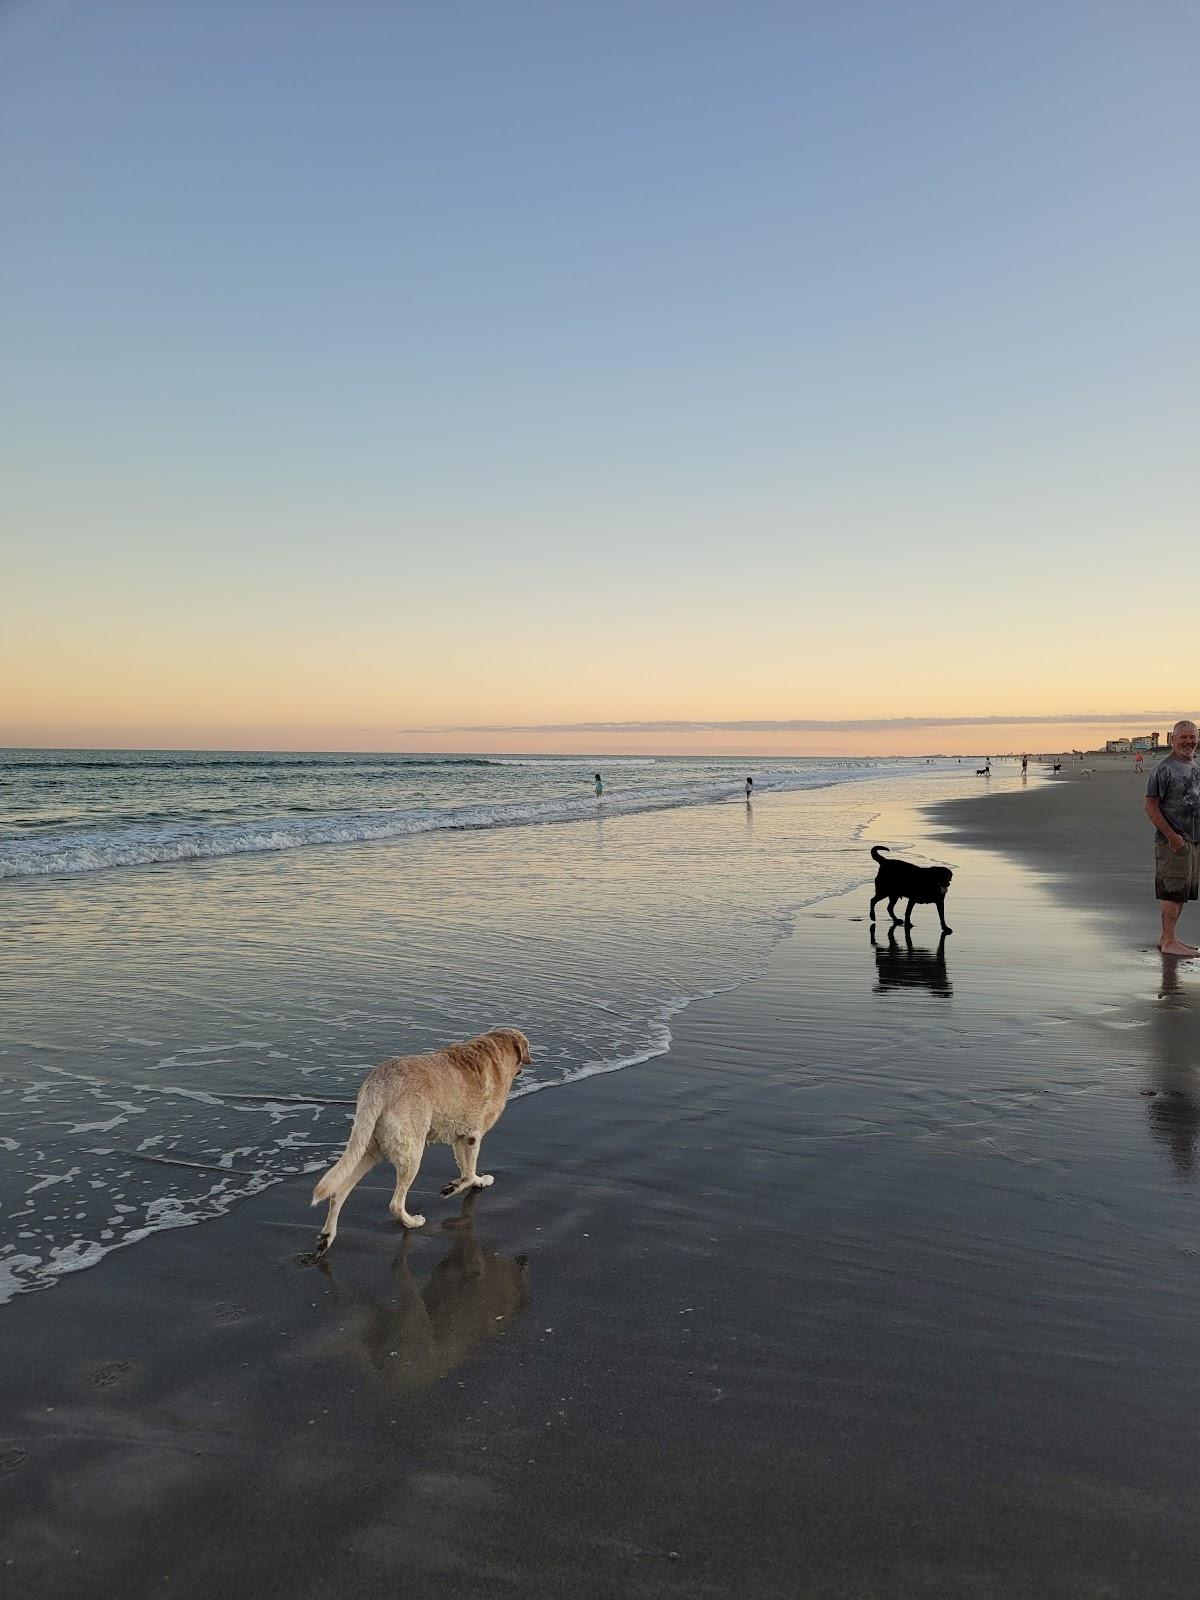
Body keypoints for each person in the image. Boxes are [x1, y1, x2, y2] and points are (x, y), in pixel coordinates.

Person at [1145, 720, 1200, 957]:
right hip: (1173, 841)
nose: (1188, 741)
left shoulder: (1195, 766)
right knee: (1172, 891)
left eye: (1192, 737)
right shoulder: (1163, 768)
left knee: (1182, 892)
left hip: (1193, 840)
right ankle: (1168, 941)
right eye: (1183, 737)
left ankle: (1168, 938)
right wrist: (1172, 836)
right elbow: (1150, 806)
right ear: (1172, 740)